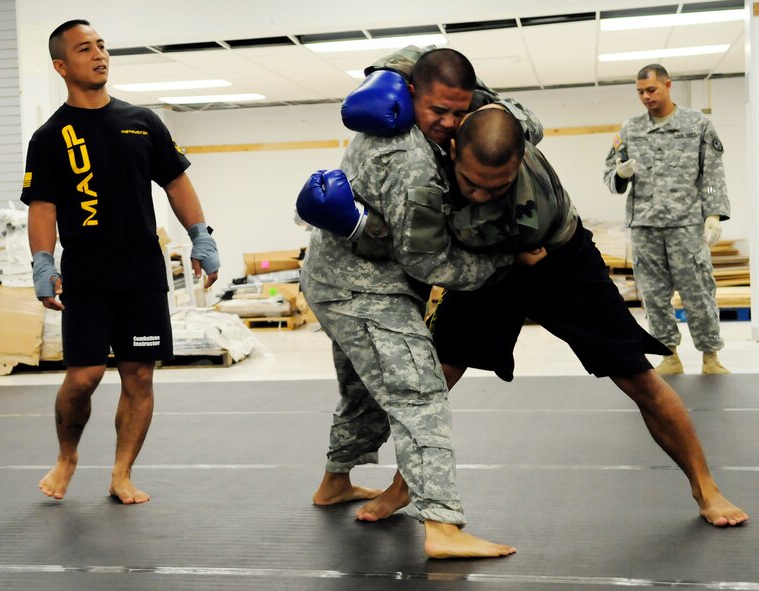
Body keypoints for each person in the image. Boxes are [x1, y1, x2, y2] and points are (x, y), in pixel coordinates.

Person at [307, 107, 747, 528]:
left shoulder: (531, 204)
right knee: (431, 379)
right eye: (472, 184)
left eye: (494, 188)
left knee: (638, 377)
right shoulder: (450, 133)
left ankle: (705, 487)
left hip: (557, 263)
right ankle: (406, 486)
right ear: (456, 147)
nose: (480, 194)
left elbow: (494, 255)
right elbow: (446, 83)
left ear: (519, 162)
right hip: (492, 264)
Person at [299, 48, 544, 558]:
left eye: (460, 112)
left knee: (366, 392)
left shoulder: (411, 106)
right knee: (419, 391)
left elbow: (420, 59)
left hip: (330, 278)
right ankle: (442, 526)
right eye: (439, 112)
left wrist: (500, 112)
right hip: (363, 289)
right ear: (412, 94)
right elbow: (428, 265)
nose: (450, 124)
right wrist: (503, 262)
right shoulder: (410, 162)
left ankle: (335, 482)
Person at [21, 20, 220, 504]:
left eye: (102, 46)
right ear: (61, 66)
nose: (99, 55)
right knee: (84, 376)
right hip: (87, 276)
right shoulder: (50, 136)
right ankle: (68, 456)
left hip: (142, 275)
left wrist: (201, 236)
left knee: (140, 374)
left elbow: (176, 183)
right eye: (85, 49)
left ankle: (121, 473)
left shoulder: (143, 121)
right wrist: (43, 263)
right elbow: (42, 206)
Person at [603, 64, 730, 375]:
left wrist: (713, 214)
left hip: (686, 224)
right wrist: (619, 174)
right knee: (654, 296)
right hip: (645, 226)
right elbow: (609, 175)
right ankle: (669, 356)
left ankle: (710, 357)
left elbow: (711, 172)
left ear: (667, 85)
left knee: (698, 292)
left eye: (651, 90)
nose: (645, 97)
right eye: (640, 92)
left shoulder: (697, 124)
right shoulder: (630, 130)